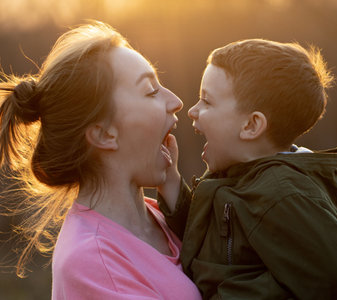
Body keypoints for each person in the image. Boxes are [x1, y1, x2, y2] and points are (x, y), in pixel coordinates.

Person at [0, 21, 201, 299]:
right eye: (151, 91)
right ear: (104, 134)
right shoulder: (93, 261)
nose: (176, 101)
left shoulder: (163, 216)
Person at [158, 39, 337, 299]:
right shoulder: (236, 175)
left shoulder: (284, 194)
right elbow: (205, 240)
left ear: (251, 126)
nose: (193, 111)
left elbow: (334, 281)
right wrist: (170, 180)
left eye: (206, 101)